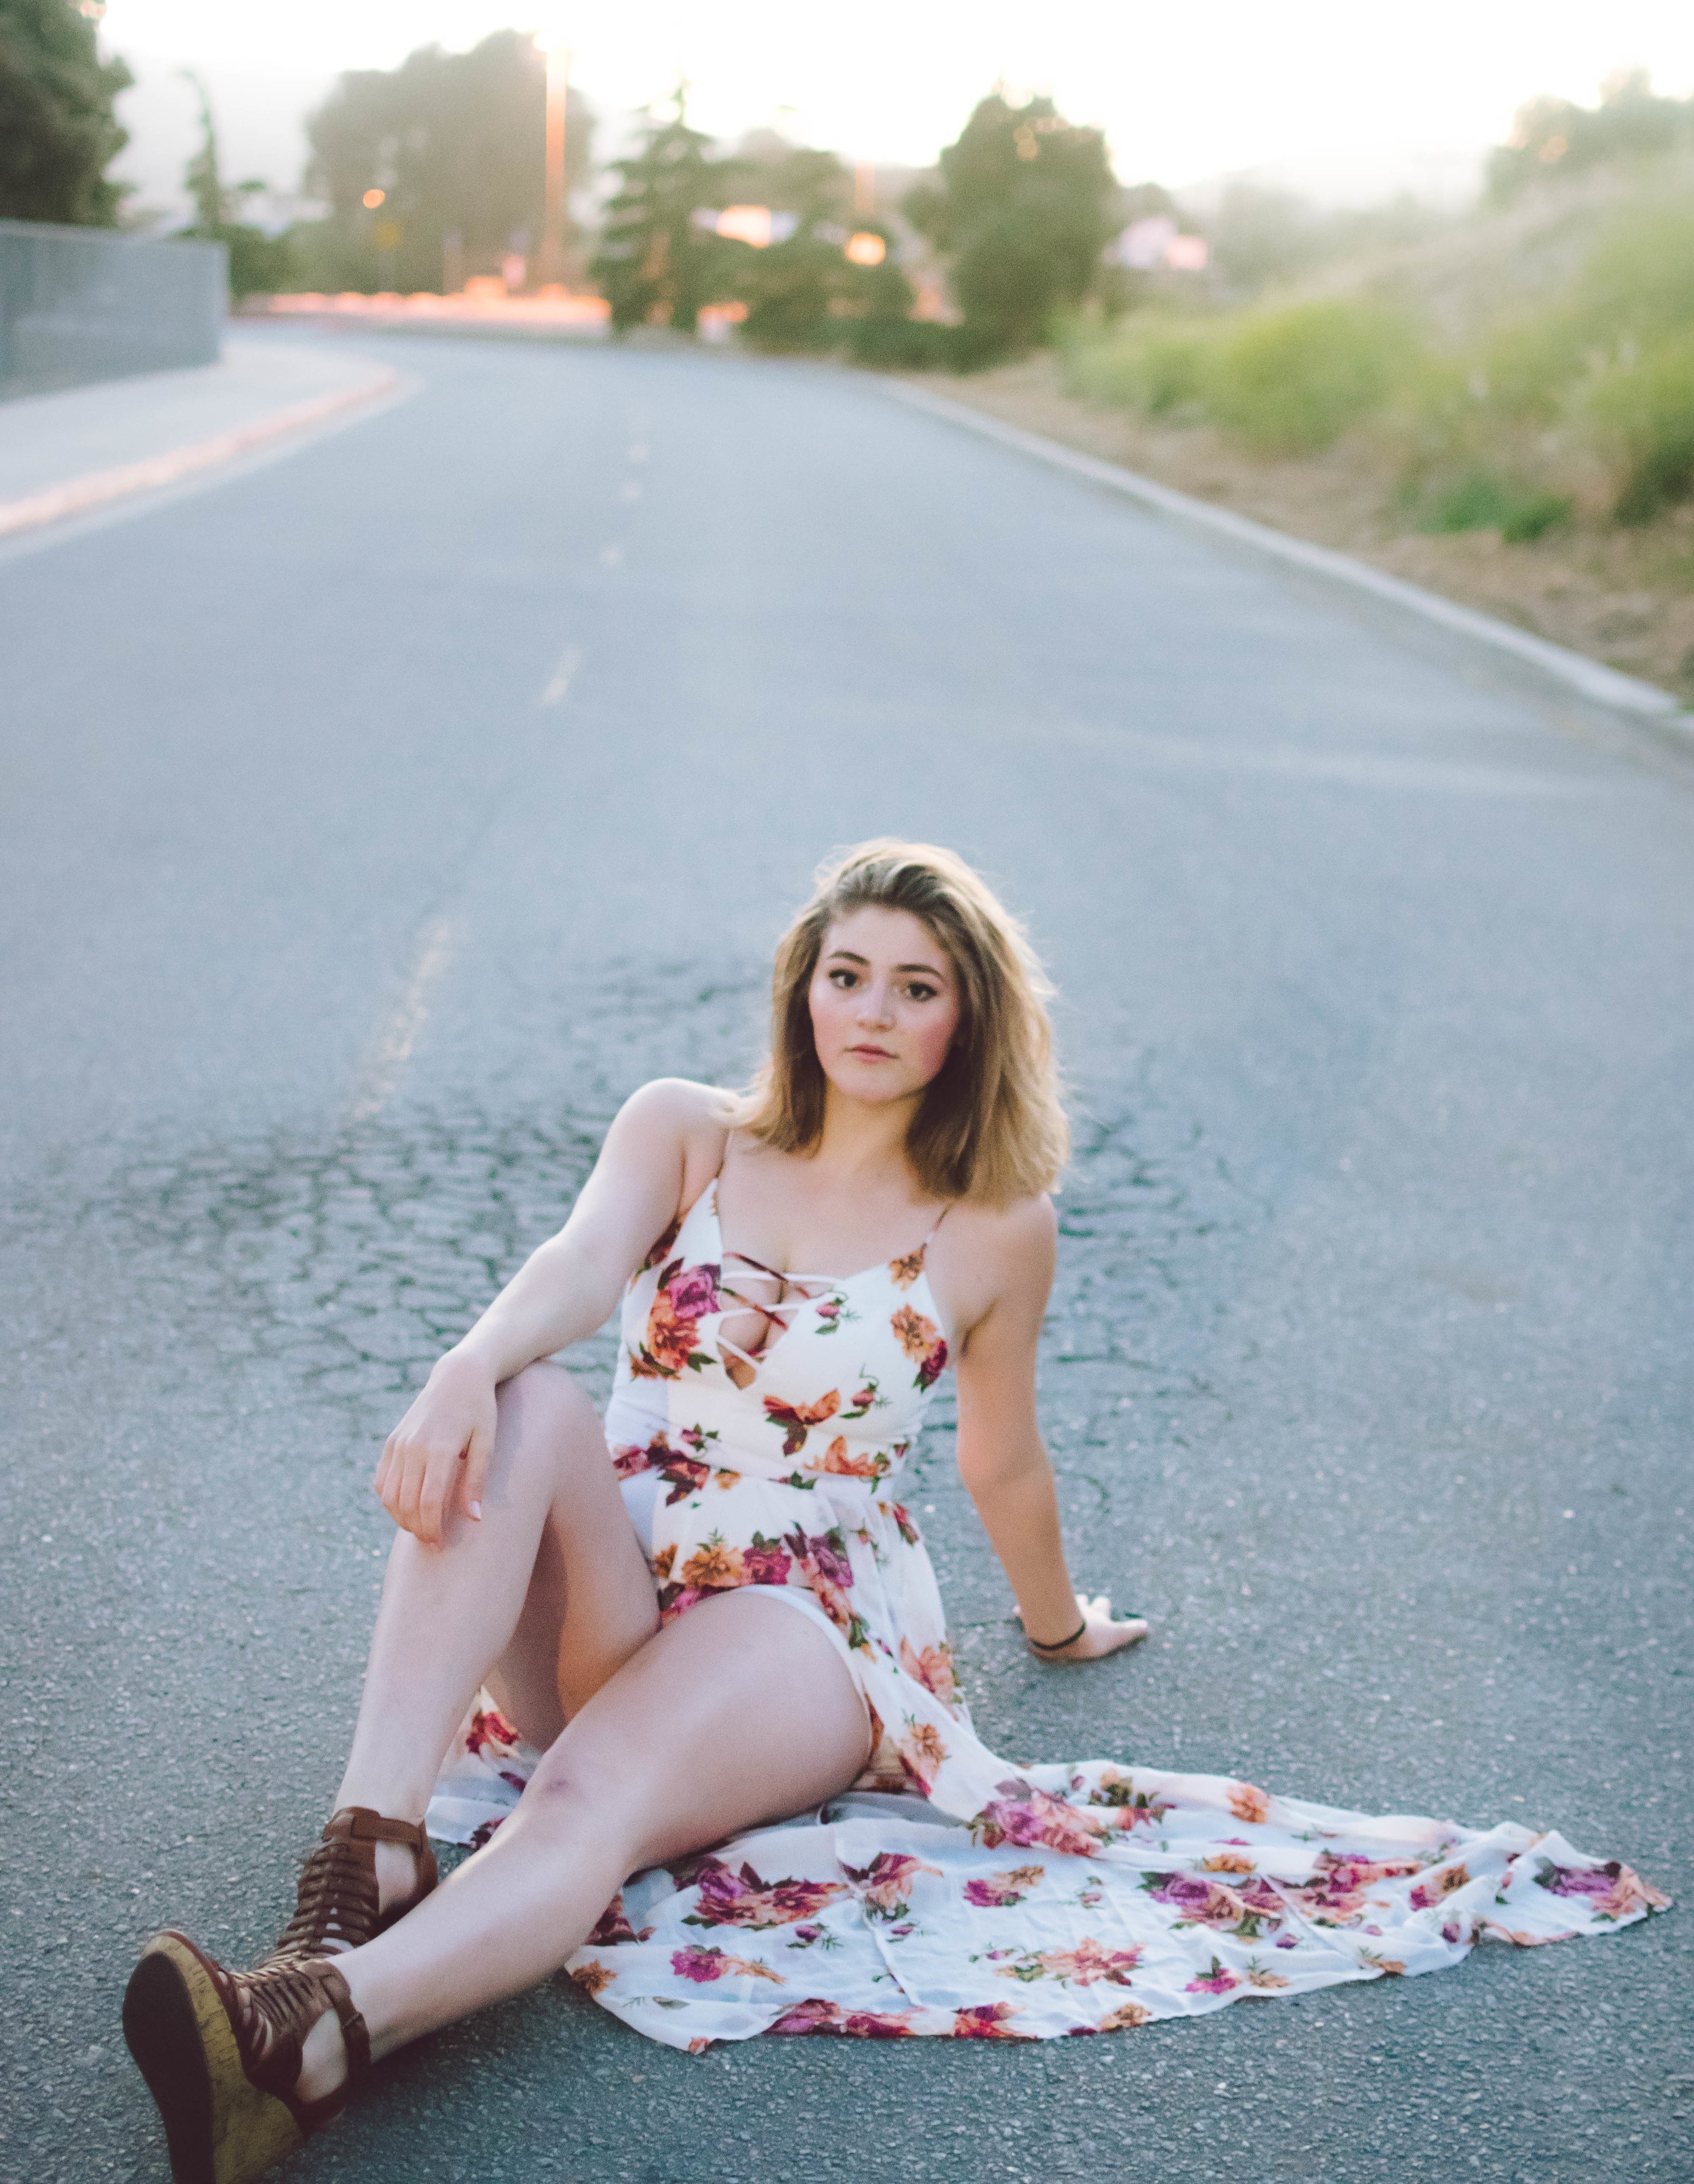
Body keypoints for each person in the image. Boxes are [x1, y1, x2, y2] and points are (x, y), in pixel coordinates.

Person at [123, 840, 1666, 2184]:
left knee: (579, 1800)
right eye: (846, 974)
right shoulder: (687, 1128)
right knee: (529, 1402)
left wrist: (1057, 1630)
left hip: (795, 1624)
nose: (870, 1010)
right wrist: (463, 1366)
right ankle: (371, 1854)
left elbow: (1004, 1459)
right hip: (618, 1574)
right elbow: (582, 1265)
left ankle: (312, 2034)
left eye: (914, 987)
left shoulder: (993, 1226)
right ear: (802, 988)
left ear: (965, 1020)